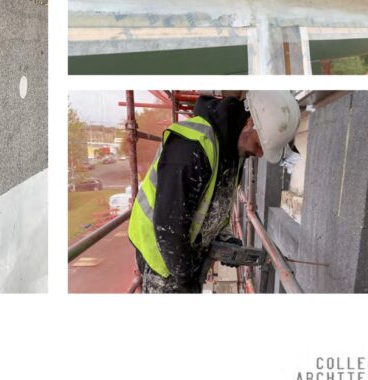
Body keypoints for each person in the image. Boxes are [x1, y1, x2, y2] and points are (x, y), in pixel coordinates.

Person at [128, 91, 300, 293]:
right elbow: (169, 229)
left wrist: (224, 238)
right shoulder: (191, 148)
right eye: (260, 145)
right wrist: (188, 283)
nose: (260, 154)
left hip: (183, 249)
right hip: (160, 253)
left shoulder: (232, 148)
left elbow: (216, 202)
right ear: (249, 123)